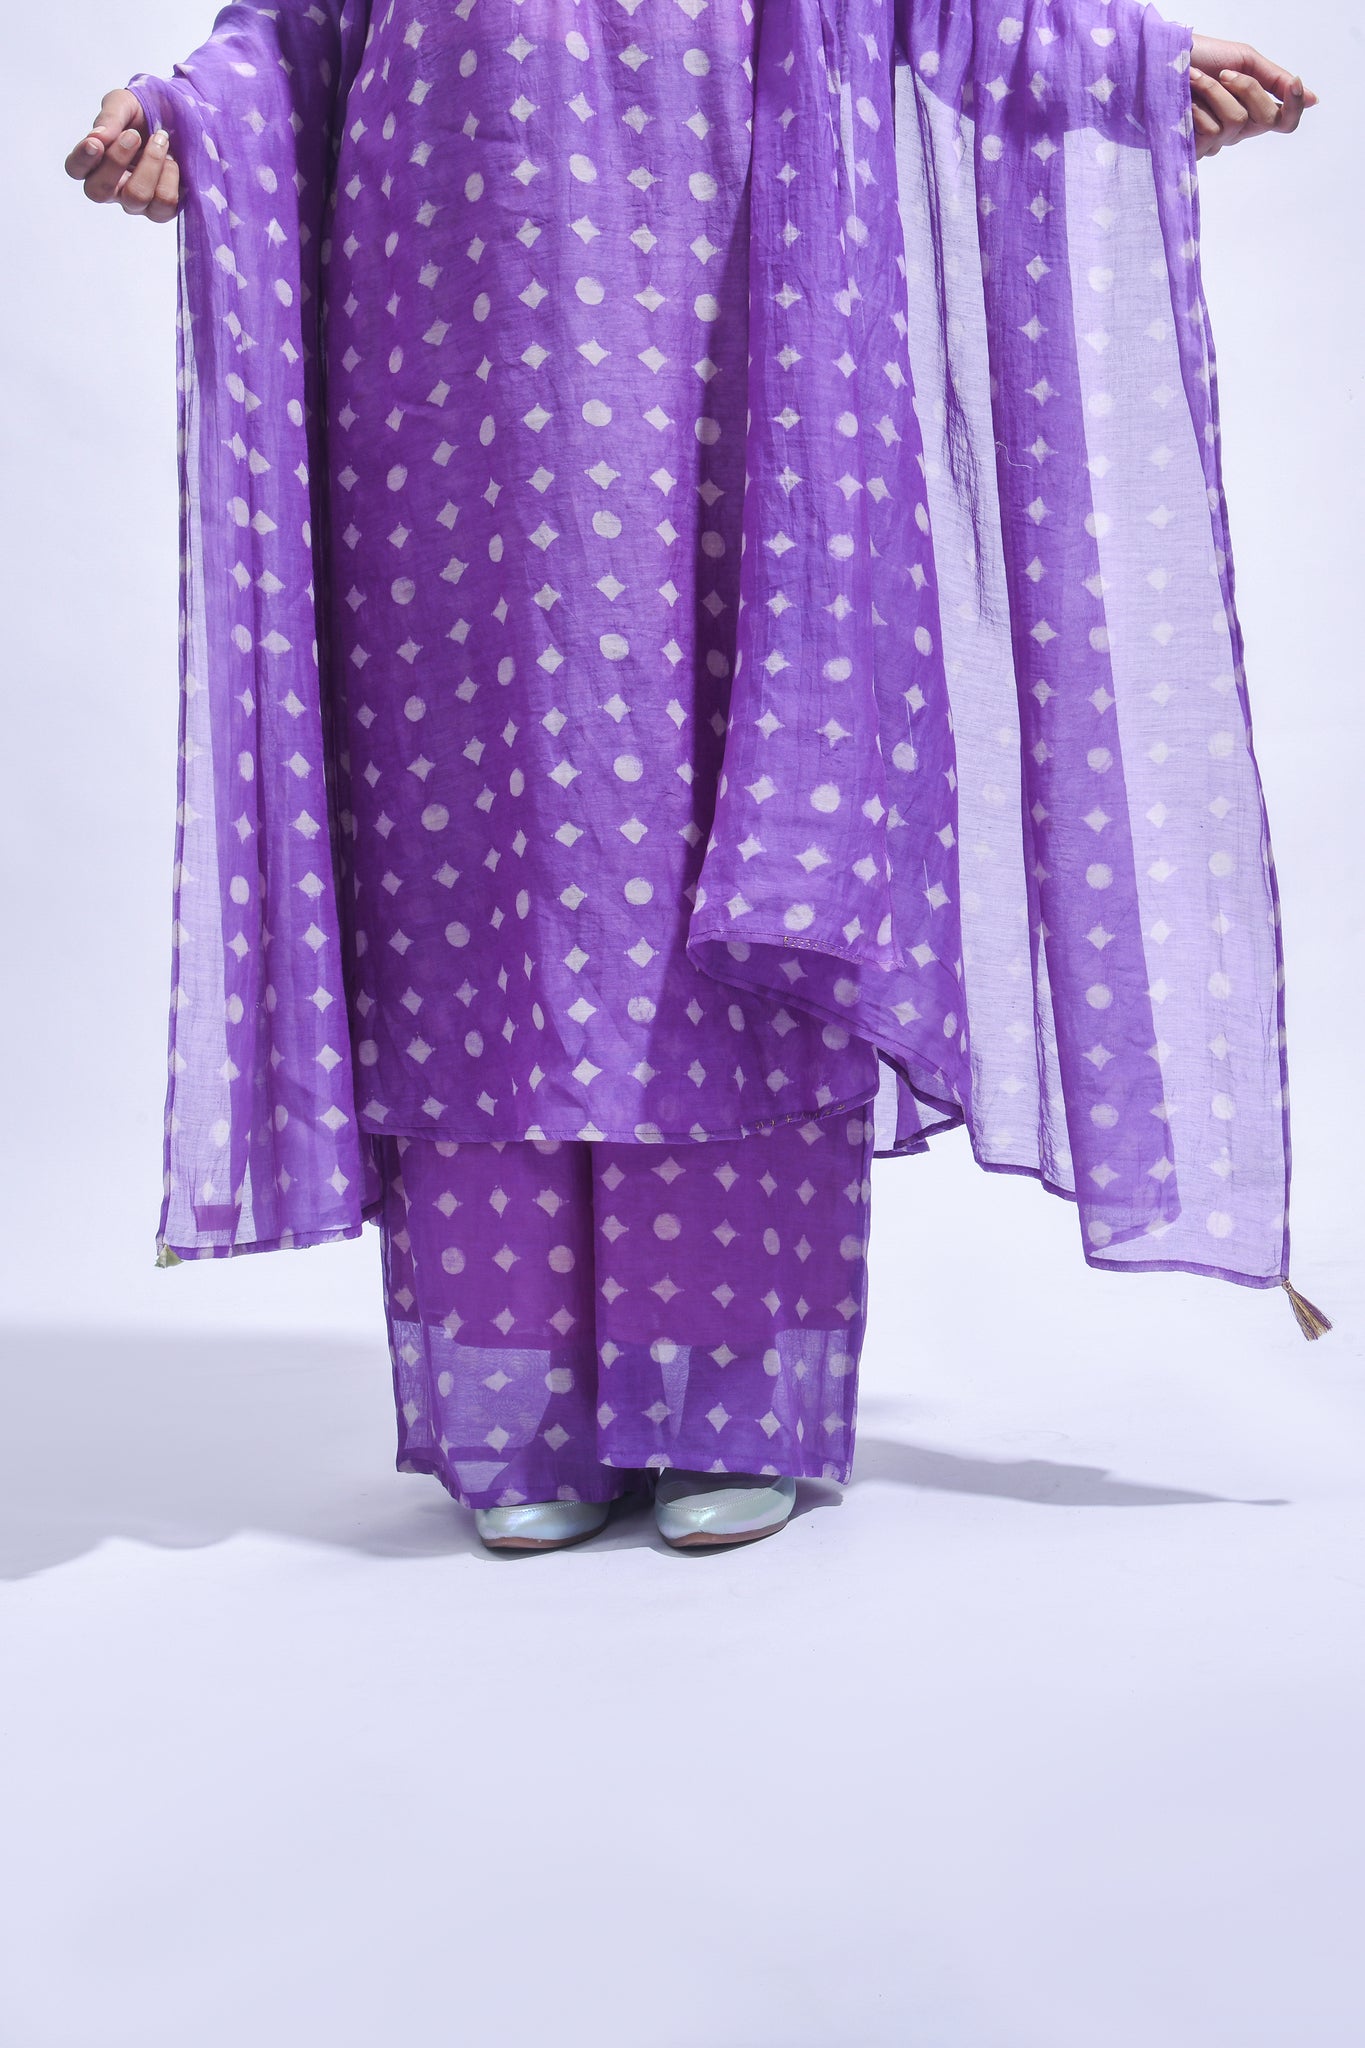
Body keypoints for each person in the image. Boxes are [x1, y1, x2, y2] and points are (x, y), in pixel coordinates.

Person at [63, 2, 1321, 1554]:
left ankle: (726, 1398)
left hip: (748, 336)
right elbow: (300, 31)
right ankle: (518, 1401)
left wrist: (1101, 65)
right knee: (484, 863)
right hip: (450, 374)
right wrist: (190, 121)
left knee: (730, 822)